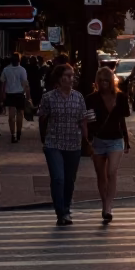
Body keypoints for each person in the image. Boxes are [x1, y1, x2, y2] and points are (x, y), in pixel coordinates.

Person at [37, 62, 90, 226]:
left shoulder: (78, 97)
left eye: (72, 76)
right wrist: (43, 138)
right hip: (54, 143)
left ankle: (66, 208)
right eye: (67, 76)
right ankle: (60, 212)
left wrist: (87, 141)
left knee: (69, 179)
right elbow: (42, 118)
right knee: (58, 178)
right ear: (59, 79)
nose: (70, 79)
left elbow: (82, 121)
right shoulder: (49, 97)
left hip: (73, 144)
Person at [86, 66, 131, 223]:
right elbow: (88, 121)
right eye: (101, 80)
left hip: (115, 140)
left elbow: (122, 119)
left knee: (112, 172)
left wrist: (126, 140)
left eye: (107, 80)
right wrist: (87, 140)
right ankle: (104, 203)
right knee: (101, 175)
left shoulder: (121, 97)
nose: (104, 83)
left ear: (112, 81)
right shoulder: (91, 99)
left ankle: (108, 206)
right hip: (98, 140)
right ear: (97, 82)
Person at [0, 52, 30, 143]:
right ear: (19, 60)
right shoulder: (22, 70)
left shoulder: (6, 69)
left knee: (11, 116)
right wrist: (28, 95)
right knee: (20, 114)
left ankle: (13, 134)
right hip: (20, 94)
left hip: (10, 94)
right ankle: (19, 132)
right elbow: (25, 83)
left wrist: (2, 94)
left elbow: (2, 82)